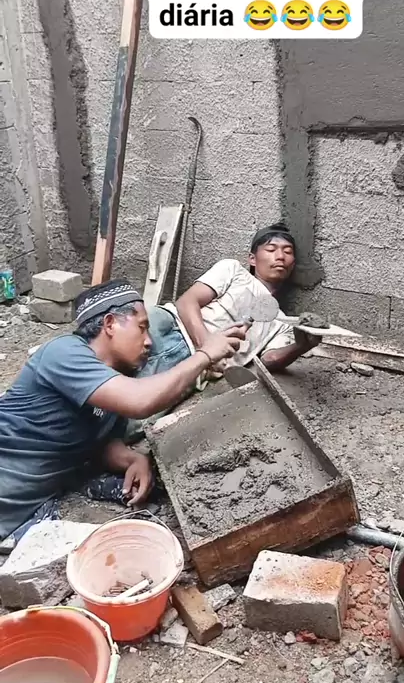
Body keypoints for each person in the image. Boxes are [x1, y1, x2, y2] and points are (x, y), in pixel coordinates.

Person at [0, 280, 245, 542]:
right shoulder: (63, 352)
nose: (149, 341)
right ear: (110, 324)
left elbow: (103, 444)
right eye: (142, 327)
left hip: (24, 503)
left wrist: (132, 459)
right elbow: (140, 401)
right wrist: (204, 354)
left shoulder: (114, 381)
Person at [143, 222, 322, 382]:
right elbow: (187, 302)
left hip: (192, 366)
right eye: (271, 249)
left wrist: (303, 346)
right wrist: (208, 348)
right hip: (169, 329)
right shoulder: (233, 270)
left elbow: (270, 360)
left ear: (293, 264)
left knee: (136, 403)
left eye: (288, 252)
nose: (280, 256)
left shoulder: (282, 322)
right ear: (252, 259)